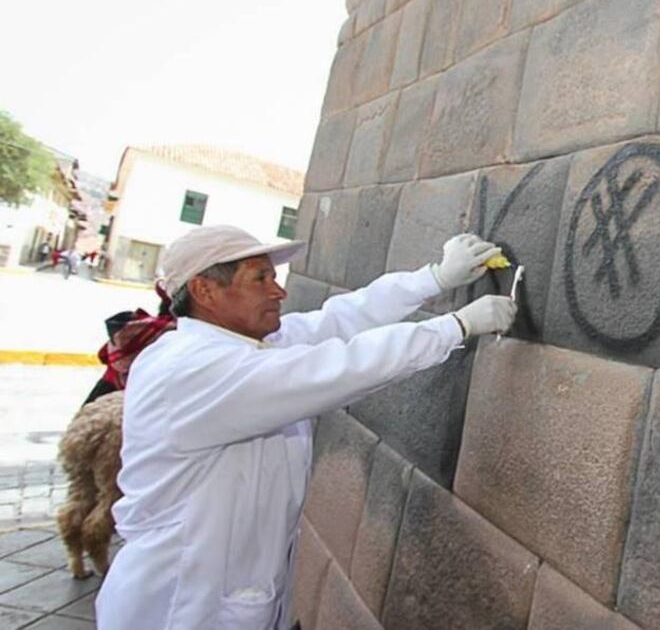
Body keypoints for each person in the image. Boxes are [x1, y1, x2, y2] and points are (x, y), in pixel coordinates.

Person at [95, 224, 516, 629]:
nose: (278, 291)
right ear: (205, 290)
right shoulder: (192, 370)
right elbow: (336, 368)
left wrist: (435, 278)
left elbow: (338, 321)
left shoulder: (243, 346)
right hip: (180, 607)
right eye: (260, 279)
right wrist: (455, 326)